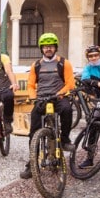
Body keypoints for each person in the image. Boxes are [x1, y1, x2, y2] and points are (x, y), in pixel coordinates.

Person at [21, 32, 76, 179]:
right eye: (45, 47)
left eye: (51, 46)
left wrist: (60, 93)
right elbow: (31, 85)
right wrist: (34, 97)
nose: (48, 49)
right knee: (34, 130)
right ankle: (32, 162)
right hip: (42, 98)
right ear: (41, 48)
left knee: (67, 109)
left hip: (59, 97)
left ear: (55, 47)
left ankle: (64, 139)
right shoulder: (36, 65)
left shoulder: (64, 63)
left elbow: (70, 83)